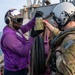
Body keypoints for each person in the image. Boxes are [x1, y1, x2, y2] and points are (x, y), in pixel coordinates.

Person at [1, 9, 43, 75]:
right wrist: (32, 36)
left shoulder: (16, 29)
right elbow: (24, 51)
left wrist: (35, 18)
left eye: (21, 19)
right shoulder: (9, 36)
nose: (20, 23)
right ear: (9, 21)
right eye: (18, 20)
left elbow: (26, 27)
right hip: (14, 72)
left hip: (21, 68)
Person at [43, 2, 75, 75]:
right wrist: (47, 25)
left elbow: (68, 71)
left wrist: (58, 53)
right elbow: (61, 34)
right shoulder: (70, 33)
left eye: (56, 20)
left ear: (63, 18)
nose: (56, 23)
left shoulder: (70, 40)